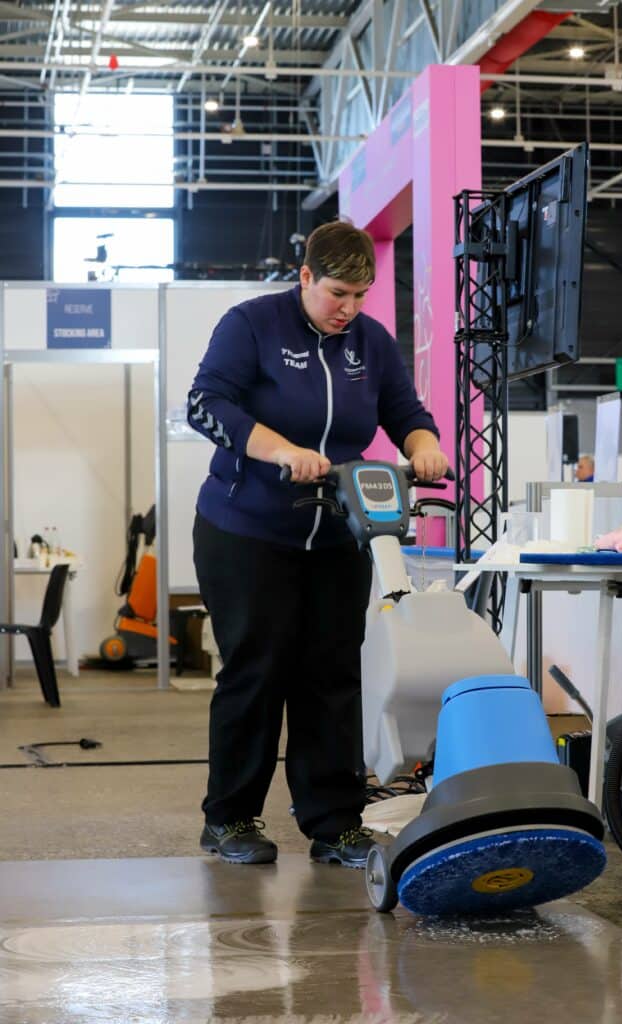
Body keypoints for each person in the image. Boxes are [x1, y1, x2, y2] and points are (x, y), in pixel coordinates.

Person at [188, 220, 449, 869]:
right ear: (305, 276)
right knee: (256, 669)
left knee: (332, 675)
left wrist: (424, 447)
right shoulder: (252, 325)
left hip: (338, 532)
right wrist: (282, 451)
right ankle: (229, 818)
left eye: (359, 296)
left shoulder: (371, 341)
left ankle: (334, 824)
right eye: (337, 293)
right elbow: (206, 403)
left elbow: (406, 413)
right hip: (246, 529)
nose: (347, 309)